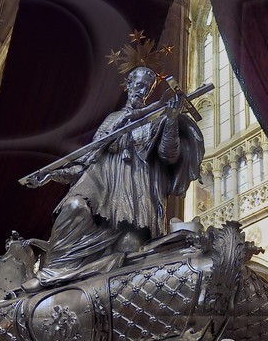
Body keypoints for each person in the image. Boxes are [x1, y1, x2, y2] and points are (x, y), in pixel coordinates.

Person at [24, 65, 203, 285]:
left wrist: (172, 119)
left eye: (147, 88)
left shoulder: (155, 118)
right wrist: (52, 175)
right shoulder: (112, 119)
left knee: (128, 251)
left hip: (134, 195)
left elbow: (169, 154)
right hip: (102, 186)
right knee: (73, 207)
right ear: (128, 85)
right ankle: (52, 277)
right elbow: (86, 160)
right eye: (138, 85)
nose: (141, 91)